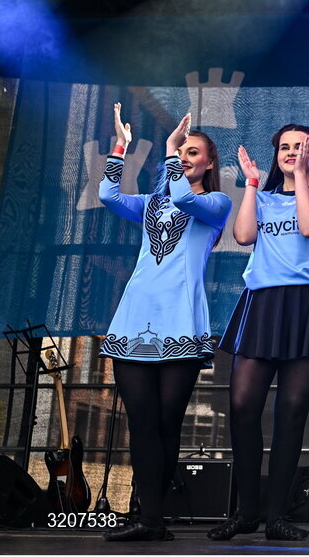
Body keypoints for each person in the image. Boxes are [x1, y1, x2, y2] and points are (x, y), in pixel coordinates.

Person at [208, 125, 309, 541]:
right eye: (284, 147)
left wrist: (304, 178)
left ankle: (277, 517)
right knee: (242, 405)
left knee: (291, 412)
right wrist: (251, 185)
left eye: (300, 146)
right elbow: (244, 235)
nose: (291, 152)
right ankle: (246, 511)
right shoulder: (263, 196)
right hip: (263, 303)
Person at [99, 104, 231, 541]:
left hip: (181, 322)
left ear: (209, 163)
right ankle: (148, 519)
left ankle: (154, 518)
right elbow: (108, 196)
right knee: (141, 421)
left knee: (166, 422)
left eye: (195, 152)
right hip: (134, 320)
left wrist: (171, 151)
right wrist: (121, 146)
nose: (187, 156)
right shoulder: (152, 202)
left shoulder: (214, 203)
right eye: (183, 151)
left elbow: (184, 198)